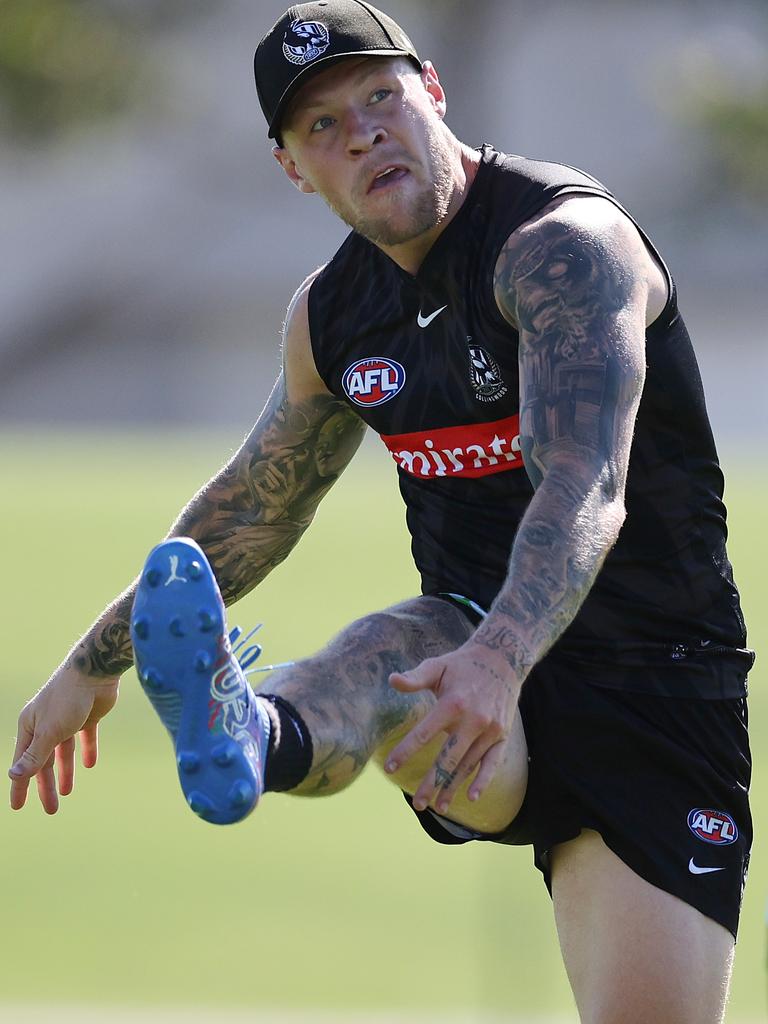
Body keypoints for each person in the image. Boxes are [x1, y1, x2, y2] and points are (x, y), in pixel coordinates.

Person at [9, 2, 754, 1020]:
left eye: (378, 96)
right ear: (293, 170)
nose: (360, 132)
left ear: (432, 91)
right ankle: (249, 733)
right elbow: (255, 506)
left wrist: (503, 658)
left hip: (651, 684)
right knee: (387, 648)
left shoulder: (562, 247)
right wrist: (90, 664)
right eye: (321, 125)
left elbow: (587, 483)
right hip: (457, 669)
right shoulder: (331, 318)